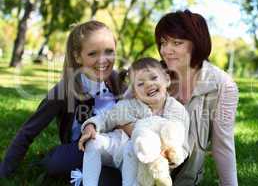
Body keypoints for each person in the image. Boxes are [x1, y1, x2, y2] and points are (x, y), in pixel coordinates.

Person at [0, 20, 125, 185]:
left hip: (115, 147)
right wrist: (4, 171)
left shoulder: (117, 81)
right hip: (80, 149)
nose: (103, 60)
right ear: (77, 56)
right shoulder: (64, 90)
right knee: (58, 163)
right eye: (93, 53)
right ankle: (51, 160)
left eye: (109, 51)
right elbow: (28, 131)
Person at [154, 10, 239, 186]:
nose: (166, 50)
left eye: (177, 42)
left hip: (182, 179)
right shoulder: (151, 74)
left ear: (196, 44)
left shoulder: (223, 85)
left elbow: (223, 146)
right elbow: (122, 113)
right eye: (163, 43)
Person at [78, 57, 190, 186]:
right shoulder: (128, 106)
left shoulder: (176, 110)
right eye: (140, 84)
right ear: (135, 93)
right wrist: (91, 126)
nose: (148, 84)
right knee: (94, 143)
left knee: (133, 147)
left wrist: (170, 156)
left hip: (145, 161)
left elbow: (181, 142)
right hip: (118, 147)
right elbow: (106, 117)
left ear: (166, 79)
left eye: (153, 78)